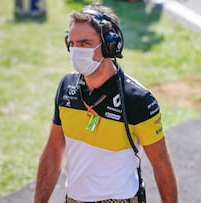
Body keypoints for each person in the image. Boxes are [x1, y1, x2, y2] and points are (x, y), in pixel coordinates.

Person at [34, 3, 178, 203]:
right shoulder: (67, 86)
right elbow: (53, 151)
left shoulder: (138, 100)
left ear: (110, 45)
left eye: (85, 43)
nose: (76, 51)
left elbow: (161, 164)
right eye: (72, 43)